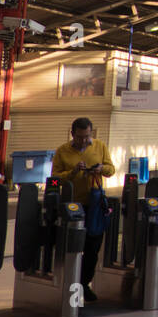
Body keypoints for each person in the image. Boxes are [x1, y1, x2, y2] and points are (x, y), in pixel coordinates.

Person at [51, 117, 116, 303]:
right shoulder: (62, 151)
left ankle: (83, 284)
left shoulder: (100, 146)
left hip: (94, 205)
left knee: (93, 247)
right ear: (73, 134)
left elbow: (111, 169)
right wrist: (73, 173)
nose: (84, 141)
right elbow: (55, 178)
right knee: (72, 248)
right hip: (72, 206)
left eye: (87, 137)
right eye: (80, 137)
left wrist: (102, 168)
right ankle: (70, 285)